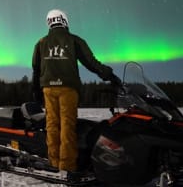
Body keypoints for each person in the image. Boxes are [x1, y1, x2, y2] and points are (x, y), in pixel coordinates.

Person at [32, 9, 122, 172]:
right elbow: (91, 62)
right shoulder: (74, 40)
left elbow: (36, 69)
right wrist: (108, 74)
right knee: (67, 125)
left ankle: (53, 162)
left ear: (49, 22)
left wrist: (36, 90)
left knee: (52, 125)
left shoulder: (41, 42)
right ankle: (67, 166)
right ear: (64, 21)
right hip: (68, 88)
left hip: (48, 89)